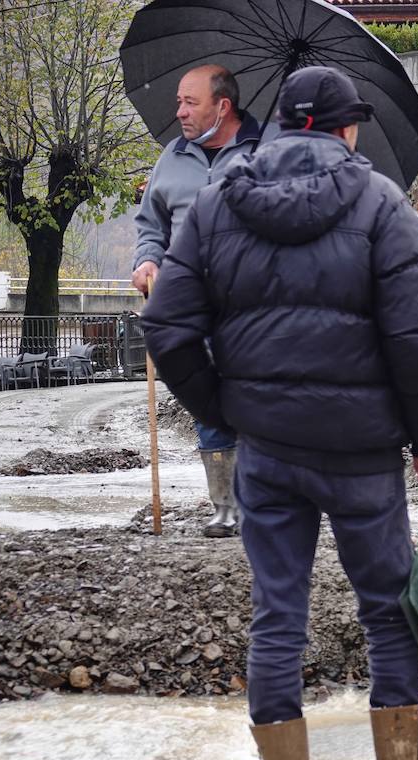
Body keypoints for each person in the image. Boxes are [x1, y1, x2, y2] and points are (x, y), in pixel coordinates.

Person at [142, 65, 418, 760]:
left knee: (276, 618)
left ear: (282, 121)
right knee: (390, 614)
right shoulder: (383, 204)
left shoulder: (216, 201)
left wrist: (228, 410)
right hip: (360, 455)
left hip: (268, 453)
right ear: (348, 129)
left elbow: (167, 327)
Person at [131, 64, 266, 538]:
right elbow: (151, 225)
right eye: (178, 102)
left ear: (222, 106)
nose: (180, 112)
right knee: (203, 399)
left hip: (250, 305)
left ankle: (259, 502)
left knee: (252, 398)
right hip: (187, 304)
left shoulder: (264, 153)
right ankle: (225, 506)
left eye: (190, 103)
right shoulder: (172, 156)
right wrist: (148, 260)